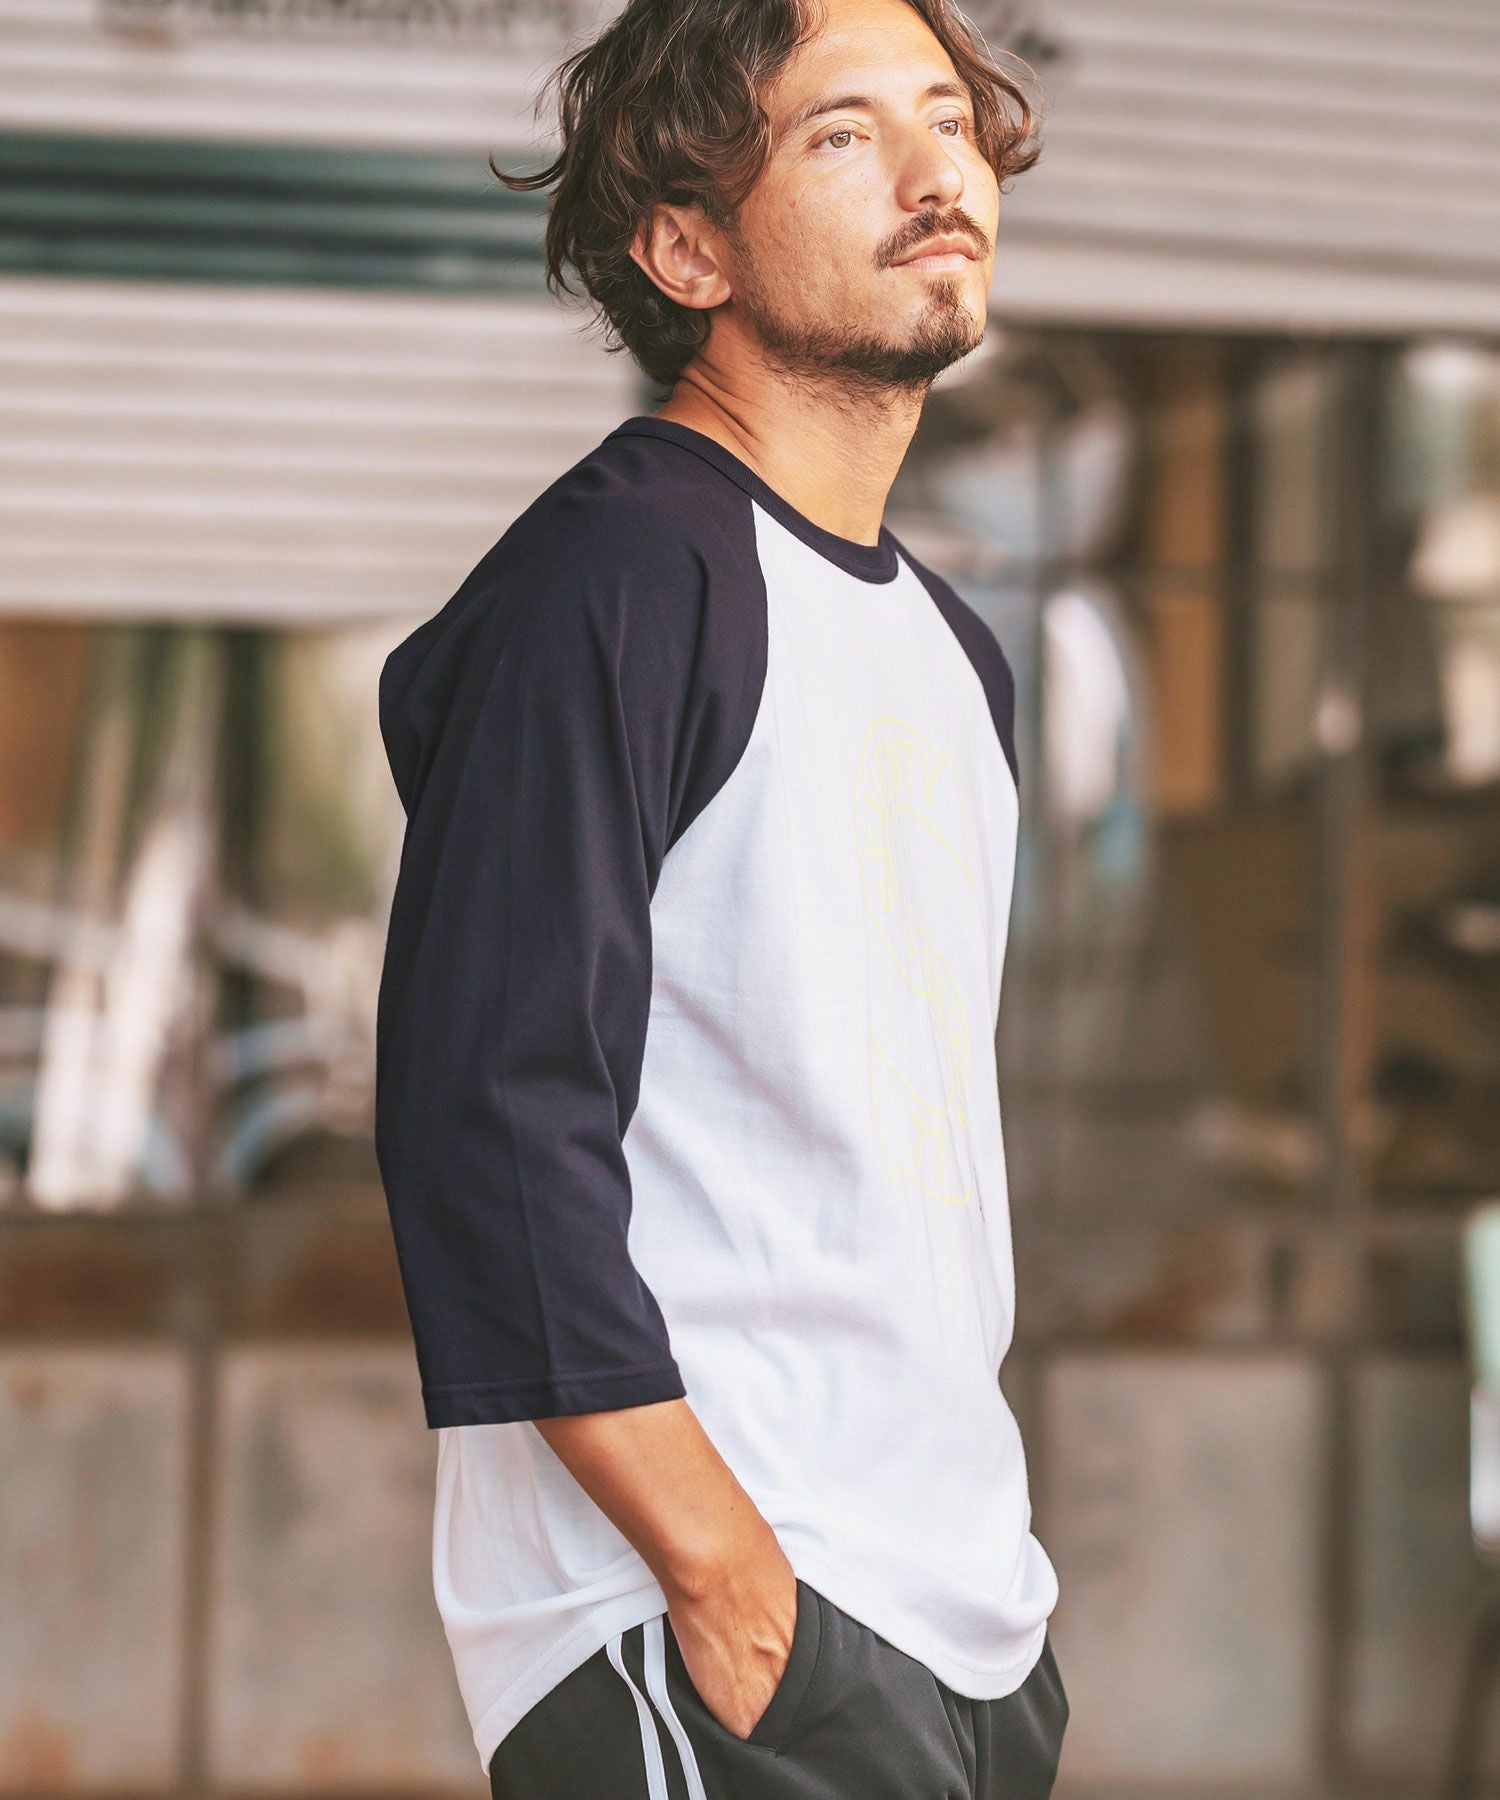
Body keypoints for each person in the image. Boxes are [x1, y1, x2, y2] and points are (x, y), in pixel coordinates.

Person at [373, 0, 1068, 1793]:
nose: (933, 174)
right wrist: (725, 1576)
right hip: (716, 1617)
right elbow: (487, 1110)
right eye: (841, 135)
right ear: (687, 248)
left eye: (948, 120)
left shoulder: (954, 652)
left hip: (962, 1620)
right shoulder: (616, 578)